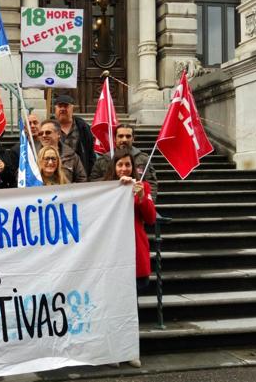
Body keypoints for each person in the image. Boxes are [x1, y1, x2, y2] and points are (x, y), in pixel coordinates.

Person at [103, 149, 156, 368]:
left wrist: (141, 197)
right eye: (120, 165)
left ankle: (130, 350)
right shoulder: (105, 190)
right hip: (111, 256)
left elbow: (151, 219)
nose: (124, 169)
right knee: (112, 305)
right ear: (113, 168)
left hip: (134, 253)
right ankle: (113, 350)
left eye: (127, 165)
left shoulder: (142, 187)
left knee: (130, 307)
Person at [89, 124, 158, 200]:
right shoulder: (103, 160)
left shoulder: (143, 159)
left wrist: (149, 201)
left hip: (136, 204)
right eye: (120, 136)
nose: (124, 140)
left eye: (128, 136)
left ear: (133, 138)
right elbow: (93, 183)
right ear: (115, 138)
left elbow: (151, 183)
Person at [53, 94, 96, 176]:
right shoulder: (50, 127)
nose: (62, 109)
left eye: (66, 106)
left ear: (72, 108)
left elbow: (90, 154)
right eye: (60, 106)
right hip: (55, 174)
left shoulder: (83, 127)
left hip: (79, 176)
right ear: (55, 108)